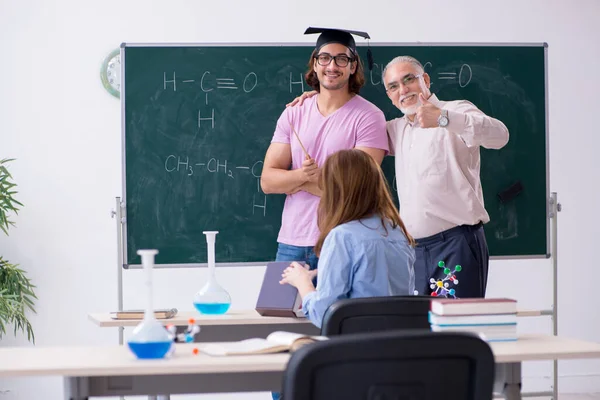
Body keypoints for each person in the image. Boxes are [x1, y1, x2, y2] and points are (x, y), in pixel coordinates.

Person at [287, 55, 509, 298]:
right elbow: (355, 126)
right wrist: (320, 99)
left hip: (455, 244)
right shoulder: (395, 129)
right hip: (411, 249)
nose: (403, 90)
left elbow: (500, 136)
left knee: (455, 328)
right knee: (415, 329)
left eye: (409, 80)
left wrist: (444, 119)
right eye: (393, 86)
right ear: (389, 94)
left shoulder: (456, 110)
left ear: (425, 79)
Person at [260, 27, 388, 277]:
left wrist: (294, 181)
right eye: (325, 58)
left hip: (343, 241)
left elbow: (356, 192)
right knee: (280, 315)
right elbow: (267, 181)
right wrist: (304, 178)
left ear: (353, 66)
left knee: (337, 316)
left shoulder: (369, 117)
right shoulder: (294, 112)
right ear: (315, 64)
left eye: (342, 59)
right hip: (291, 242)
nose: (332, 66)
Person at [279, 149, 415, 328]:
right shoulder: (398, 233)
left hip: (357, 348)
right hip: (397, 347)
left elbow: (324, 315)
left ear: (334, 191)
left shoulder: (341, 237)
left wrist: (303, 282)